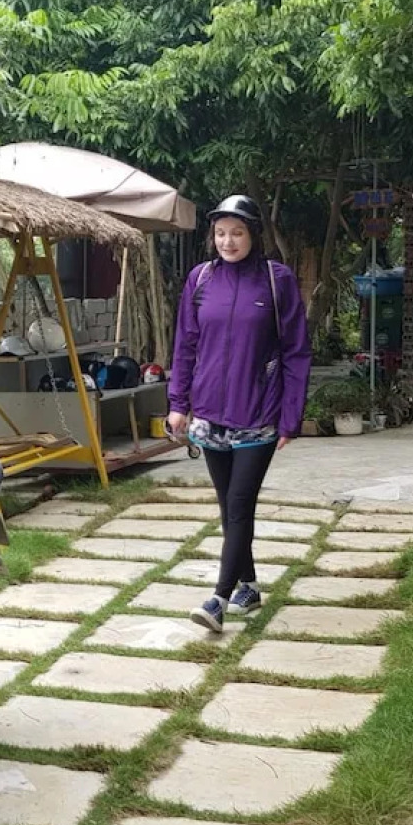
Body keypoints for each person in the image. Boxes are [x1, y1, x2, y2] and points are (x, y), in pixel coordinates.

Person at [165, 194, 312, 633]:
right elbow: (186, 345)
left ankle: (218, 599)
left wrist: (291, 416)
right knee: (230, 510)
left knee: (239, 504)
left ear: (253, 235)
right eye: (221, 233)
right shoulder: (201, 279)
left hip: (258, 414)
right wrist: (178, 404)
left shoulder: (275, 280)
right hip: (209, 414)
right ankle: (248, 585)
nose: (228, 241)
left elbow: (296, 352)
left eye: (237, 232)